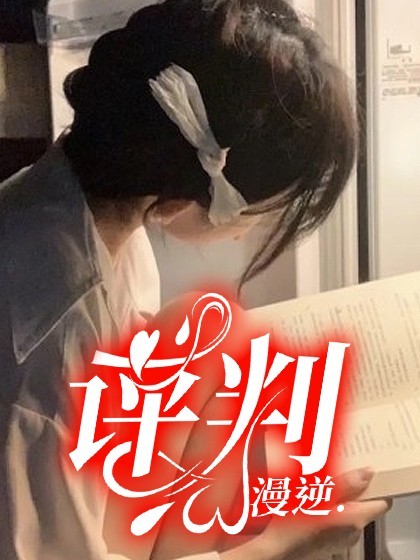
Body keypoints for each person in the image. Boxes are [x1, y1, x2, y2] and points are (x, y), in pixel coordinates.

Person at [0, 1, 390, 559]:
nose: (254, 229)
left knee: (214, 329)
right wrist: (280, 548)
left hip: (68, 483)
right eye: (262, 209)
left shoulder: (80, 210)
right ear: (186, 194)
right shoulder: (49, 348)